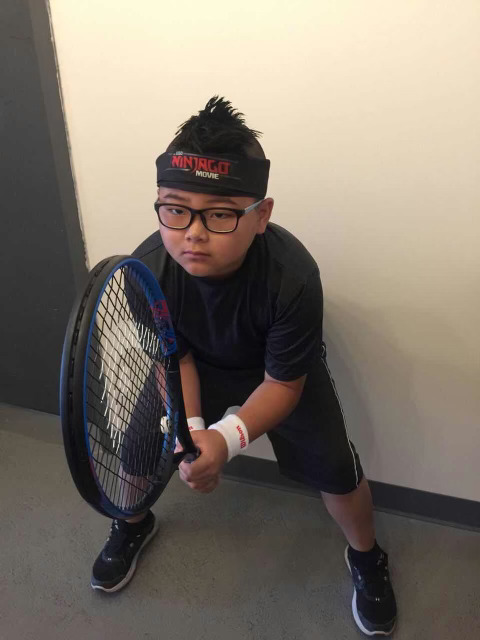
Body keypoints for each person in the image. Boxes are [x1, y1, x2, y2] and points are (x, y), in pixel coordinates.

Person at [91, 96, 397, 636]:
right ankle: (132, 523)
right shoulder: (148, 271)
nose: (193, 231)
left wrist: (226, 440)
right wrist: (190, 429)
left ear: (262, 216)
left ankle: (367, 556)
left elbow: (284, 383)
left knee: (337, 473)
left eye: (220, 213)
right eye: (175, 208)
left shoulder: (293, 276)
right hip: (194, 367)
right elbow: (175, 357)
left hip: (281, 374)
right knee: (138, 448)